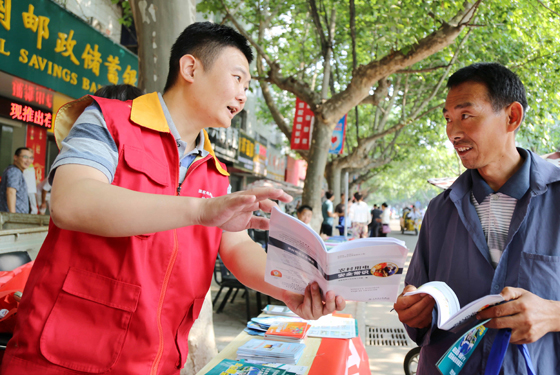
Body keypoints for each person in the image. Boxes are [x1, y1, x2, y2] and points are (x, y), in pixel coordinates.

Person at [2, 23, 344, 375]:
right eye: (238, 78)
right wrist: (200, 210)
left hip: (155, 364)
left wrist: (291, 288)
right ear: (190, 68)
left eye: (247, 86)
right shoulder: (107, 120)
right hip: (60, 359)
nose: (243, 96)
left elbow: (239, 250)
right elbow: (72, 202)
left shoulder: (216, 174)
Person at [393, 62, 560, 374]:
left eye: (466, 115)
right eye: (449, 119)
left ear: (512, 116)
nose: (453, 132)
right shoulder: (442, 208)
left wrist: (553, 314)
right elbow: (418, 295)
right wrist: (414, 309)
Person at [0, 148, 34, 214]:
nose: (28, 160)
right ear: (15, 157)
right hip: (13, 218)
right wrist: (13, 216)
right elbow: (11, 192)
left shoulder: (14, 171)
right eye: (25, 157)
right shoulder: (14, 171)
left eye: (31, 158)